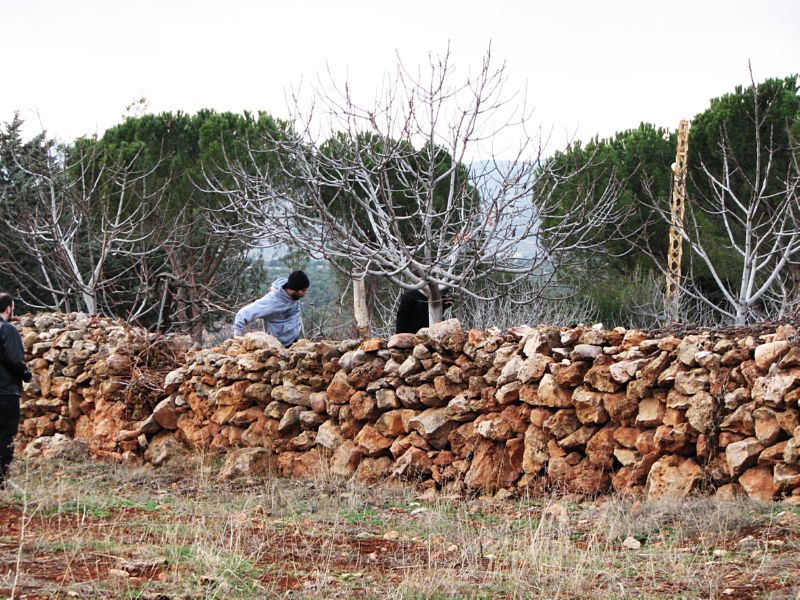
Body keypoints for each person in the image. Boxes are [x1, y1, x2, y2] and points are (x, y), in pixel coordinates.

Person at [0, 293, 32, 490]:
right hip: (4, 391)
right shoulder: (7, 329)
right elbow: (13, 359)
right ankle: (1, 480)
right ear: (9, 308)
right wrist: (26, 374)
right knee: (4, 434)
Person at [232, 270, 309, 347]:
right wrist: (237, 334)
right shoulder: (271, 302)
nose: (305, 294)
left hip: (295, 341)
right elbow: (244, 313)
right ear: (294, 289)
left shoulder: (294, 296)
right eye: (303, 291)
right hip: (279, 345)